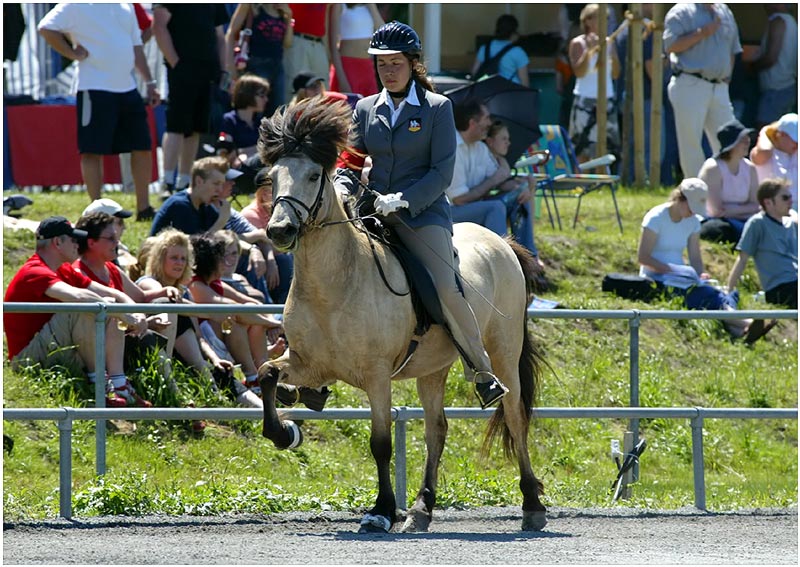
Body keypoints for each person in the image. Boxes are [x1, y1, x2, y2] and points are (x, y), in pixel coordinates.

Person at [335, 21, 509, 408]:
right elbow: (351, 159)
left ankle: (481, 370)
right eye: (381, 64)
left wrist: (404, 199)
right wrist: (343, 185)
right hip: (372, 209)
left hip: (421, 214)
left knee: (446, 285)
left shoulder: (437, 108)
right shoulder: (364, 108)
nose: (388, 71)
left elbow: (442, 173)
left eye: (395, 63)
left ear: (413, 64)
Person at [3, 216, 150, 407]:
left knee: (108, 304)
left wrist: (135, 312)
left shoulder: (62, 268)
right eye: (73, 239)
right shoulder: (34, 270)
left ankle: (119, 384)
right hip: (27, 359)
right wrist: (120, 313)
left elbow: (109, 292)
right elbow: (78, 297)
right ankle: (97, 383)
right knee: (86, 307)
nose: (77, 244)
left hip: (52, 348)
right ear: (57, 242)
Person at [37, 3, 160, 221]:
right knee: (92, 150)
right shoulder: (75, 4)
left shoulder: (126, 5)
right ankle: (98, 210)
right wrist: (71, 53)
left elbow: (136, 46)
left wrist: (149, 82)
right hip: (93, 88)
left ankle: (144, 208)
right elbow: (45, 28)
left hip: (128, 88)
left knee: (142, 147)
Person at [135, 228, 262, 408]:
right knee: (176, 310)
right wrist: (210, 313)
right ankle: (205, 393)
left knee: (222, 372)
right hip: (160, 352)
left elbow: (198, 337)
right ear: (160, 259)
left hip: (188, 355)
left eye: (183, 258)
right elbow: (171, 302)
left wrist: (214, 358)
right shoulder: (148, 282)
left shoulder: (185, 292)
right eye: (174, 258)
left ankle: (267, 413)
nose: (179, 263)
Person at [637, 178, 768, 343]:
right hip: (656, 277)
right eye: (691, 208)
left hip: (682, 277)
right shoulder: (656, 218)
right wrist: (670, 270)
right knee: (706, 296)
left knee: (715, 291)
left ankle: (740, 330)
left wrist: (700, 275)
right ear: (680, 199)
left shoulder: (692, 222)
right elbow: (643, 258)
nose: (693, 213)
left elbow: (695, 258)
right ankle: (745, 323)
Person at [187, 232, 284, 396]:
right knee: (234, 320)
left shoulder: (216, 282)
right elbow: (233, 308)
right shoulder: (196, 284)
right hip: (207, 341)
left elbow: (253, 304)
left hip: (223, 334)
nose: (226, 263)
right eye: (221, 258)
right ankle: (252, 375)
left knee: (254, 323)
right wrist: (274, 324)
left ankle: (263, 372)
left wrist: (267, 321)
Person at [152, 4, 229, 198]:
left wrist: (224, 69)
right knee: (176, 126)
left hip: (207, 71)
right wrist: (175, 62)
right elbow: (158, 27)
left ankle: (184, 182)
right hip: (181, 70)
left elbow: (220, 36)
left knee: (196, 128)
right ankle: (166, 182)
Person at [664, 3, 741, 179]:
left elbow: (733, 48)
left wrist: (726, 77)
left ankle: (729, 191)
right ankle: (696, 196)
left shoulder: (725, 11)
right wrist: (702, 33)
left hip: (720, 86)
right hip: (691, 83)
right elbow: (670, 45)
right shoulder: (681, 11)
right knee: (691, 144)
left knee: (730, 141)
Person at [445, 99, 510, 239]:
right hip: (449, 212)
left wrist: (522, 185)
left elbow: (500, 179)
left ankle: (530, 256)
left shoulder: (480, 147)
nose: (490, 123)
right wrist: (494, 179)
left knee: (521, 198)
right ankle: (502, 257)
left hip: (473, 205)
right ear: (472, 123)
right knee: (495, 207)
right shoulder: (452, 147)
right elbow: (459, 199)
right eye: (486, 118)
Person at [728, 178, 797, 309]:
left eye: (790, 197)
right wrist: (729, 290)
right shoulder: (757, 223)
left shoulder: (791, 224)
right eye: (785, 197)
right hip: (779, 288)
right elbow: (742, 259)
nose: (790, 201)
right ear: (768, 202)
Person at [484, 120, 544, 268]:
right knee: (522, 197)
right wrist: (520, 185)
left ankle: (529, 253)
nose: (508, 143)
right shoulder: (484, 158)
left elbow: (504, 183)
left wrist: (522, 183)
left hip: (493, 201)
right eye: (504, 139)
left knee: (525, 191)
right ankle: (530, 254)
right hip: (484, 204)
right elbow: (495, 185)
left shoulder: (499, 160)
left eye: (508, 139)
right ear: (490, 141)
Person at [568, 4, 621, 162]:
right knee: (582, 145)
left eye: (607, 18)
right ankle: (582, 181)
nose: (606, 21)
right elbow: (579, 72)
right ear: (588, 20)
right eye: (601, 18)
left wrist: (610, 53)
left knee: (607, 144)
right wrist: (589, 51)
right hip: (585, 98)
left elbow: (616, 74)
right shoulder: (578, 43)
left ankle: (603, 180)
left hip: (606, 98)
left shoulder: (609, 42)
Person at [697, 120, 760, 244]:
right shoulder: (712, 168)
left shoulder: (750, 168)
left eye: (747, 138)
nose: (747, 141)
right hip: (716, 221)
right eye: (742, 139)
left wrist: (730, 210)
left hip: (744, 219)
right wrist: (744, 209)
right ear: (731, 144)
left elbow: (756, 205)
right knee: (715, 231)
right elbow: (715, 211)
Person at [225, 3, 293, 116]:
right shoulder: (251, 6)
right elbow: (231, 32)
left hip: (277, 66)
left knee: (278, 113)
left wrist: (289, 16)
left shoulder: (282, 10)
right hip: (256, 64)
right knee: (254, 111)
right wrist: (230, 66)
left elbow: (287, 43)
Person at [240, 168, 294, 304]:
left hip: (274, 261)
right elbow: (265, 242)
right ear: (265, 194)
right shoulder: (250, 214)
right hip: (257, 262)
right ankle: (283, 306)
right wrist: (271, 260)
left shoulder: (276, 211)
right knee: (285, 260)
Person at [150, 157, 227, 237]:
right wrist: (221, 221)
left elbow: (224, 241)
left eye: (222, 184)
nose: (220, 190)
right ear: (199, 181)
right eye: (216, 184)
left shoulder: (207, 207)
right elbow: (194, 245)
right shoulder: (179, 205)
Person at [749, 5, 797, 127]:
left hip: (776, 90)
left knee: (765, 132)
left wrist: (751, 68)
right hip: (786, 87)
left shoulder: (778, 21)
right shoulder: (792, 23)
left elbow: (771, 58)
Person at [328, 3, 383, 96]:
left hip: (367, 66)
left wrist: (371, 5)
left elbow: (383, 31)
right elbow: (333, 46)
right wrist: (342, 79)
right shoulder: (340, 5)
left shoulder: (369, 6)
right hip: (348, 67)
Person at [282, 3, 330, 104]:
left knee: (322, 89)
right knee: (295, 89)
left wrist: (327, 51)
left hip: (319, 43)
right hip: (298, 40)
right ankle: (290, 119)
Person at [220, 74, 272, 164]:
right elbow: (227, 155)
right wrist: (260, 148)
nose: (266, 99)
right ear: (248, 94)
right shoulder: (229, 120)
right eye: (262, 95)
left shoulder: (261, 123)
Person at [750, 113, 798, 210]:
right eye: (794, 139)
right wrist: (765, 132)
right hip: (772, 211)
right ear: (780, 135)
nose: (797, 144)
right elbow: (764, 151)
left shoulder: (796, 153)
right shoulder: (765, 153)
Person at [470, 13, 529, 86]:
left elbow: (474, 73)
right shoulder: (518, 52)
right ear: (514, 32)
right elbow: (524, 83)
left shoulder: (484, 48)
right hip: (510, 92)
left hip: (488, 92)